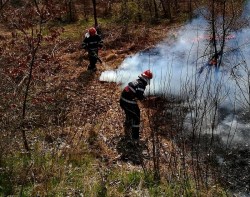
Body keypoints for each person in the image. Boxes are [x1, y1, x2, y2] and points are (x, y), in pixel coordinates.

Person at [119, 70, 153, 141]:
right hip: (128, 102)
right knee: (136, 117)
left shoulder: (137, 81)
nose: (148, 81)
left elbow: (135, 92)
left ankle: (127, 127)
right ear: (146, 78)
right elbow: (139, 96)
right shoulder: (141, 85)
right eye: (149, 79)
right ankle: (135, 138)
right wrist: (145, 98)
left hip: (123, 100)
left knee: (129, 114)